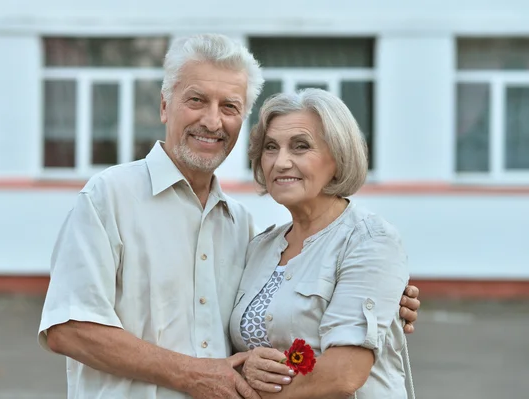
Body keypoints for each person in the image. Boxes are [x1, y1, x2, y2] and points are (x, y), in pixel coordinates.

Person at [38, 34, 420, 399]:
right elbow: (69, 329)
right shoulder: (109, 197)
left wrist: (382, 297)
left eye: (229, 107)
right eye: (196, 100)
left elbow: (290, 317)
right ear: (164, 105)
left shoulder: (241, 227)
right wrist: (195, 374)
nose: (212, 121)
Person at [230, 88, 415, 398]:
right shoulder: (259, 246)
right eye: (271, 147)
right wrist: (242, 367)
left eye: (300, 147)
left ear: (338, 156)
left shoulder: (370, 240)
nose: (281, 162)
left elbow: (342, 374)